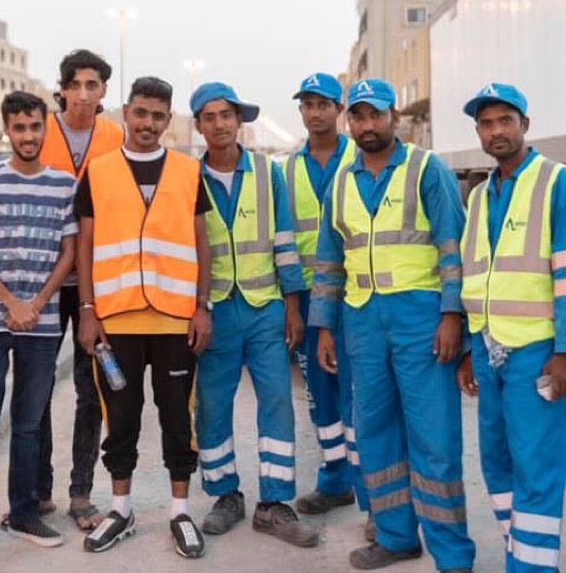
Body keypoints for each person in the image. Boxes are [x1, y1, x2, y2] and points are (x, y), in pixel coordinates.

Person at [311, 78, 476, 572]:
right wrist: (324, 327)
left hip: (420, 320)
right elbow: (328, 261)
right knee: (375, 432)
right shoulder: (342, 182)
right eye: (358, 116)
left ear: (394, 118)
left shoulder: (427, 169)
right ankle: (395, 536)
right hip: (363, 322)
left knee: (434, 438)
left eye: (376, 115)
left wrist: (452, 316)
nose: (367, 125)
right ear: (350, 122)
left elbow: (454, 248)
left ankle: (453, 556)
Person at [75, 76, 213, 558]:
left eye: (157, 116)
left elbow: (201, 242)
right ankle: (121, 509)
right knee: (121, 419)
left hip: (175, 320)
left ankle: (180, 512)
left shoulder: (188, 171)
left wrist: (201, 306)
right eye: (140, 113)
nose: (147, 124)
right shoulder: (98, 171)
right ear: (125, 113)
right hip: (116, 321)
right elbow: (85, 245)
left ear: (168, 120)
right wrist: (87, 310)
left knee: (178, 418)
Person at [455, 83, 566, 573]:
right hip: (488, 348)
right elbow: (473, 274)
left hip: (537, 349)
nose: (496, 131)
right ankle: (520, 554)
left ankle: (532, 568)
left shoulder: (558, 182)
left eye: (505, 121)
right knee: (496, 461)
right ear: (478, 132)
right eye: (486, 124)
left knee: (536, 466)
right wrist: (469, 349)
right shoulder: (477, 196)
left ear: (525, 125)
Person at [191, 82, 319, 549]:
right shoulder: (189, 177)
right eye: (210, 117)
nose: (220, 124)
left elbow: (285, 239)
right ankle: (225, 495)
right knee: (212, 407)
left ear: (239, 121)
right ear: (198, 125)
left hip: (265, 307)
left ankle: (274, 503)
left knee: (278, 402)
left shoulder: (268, 172)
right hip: (216, 312)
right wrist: (196, 309)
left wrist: (292, 304)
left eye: (227, 115)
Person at [0, 91, 78, 563]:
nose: (28, 135)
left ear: (45, 128)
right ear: (7, 130)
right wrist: (11, 302)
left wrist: (37, 304)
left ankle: (24, 513)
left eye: (35, 126)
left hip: (41, 324)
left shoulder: (63, 185)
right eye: (19, 127)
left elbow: (69, 253)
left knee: (28, 426)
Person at [37, 49, 125, 530]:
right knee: (38, 386)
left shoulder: (114, 136)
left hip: (95, 282)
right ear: (63, 89)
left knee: (91, 390)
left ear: (104, 91)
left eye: (93, 85)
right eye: (76, 85)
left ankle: (81, 491)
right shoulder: (41, 130)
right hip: (46, 280)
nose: (84, 94)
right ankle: (39, 488)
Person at [284, 73, 370, 531]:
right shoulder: (286, 170)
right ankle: (335, 479)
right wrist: (290, 304)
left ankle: (372, 492)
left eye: (323, 104)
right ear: (300, 111)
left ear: (339, 109)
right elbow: (281, 237)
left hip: (354, 293)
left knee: (360, 393)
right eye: (308, 104)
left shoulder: (361, 157)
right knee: (319, 394)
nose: (315, 112)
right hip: (306, 296)